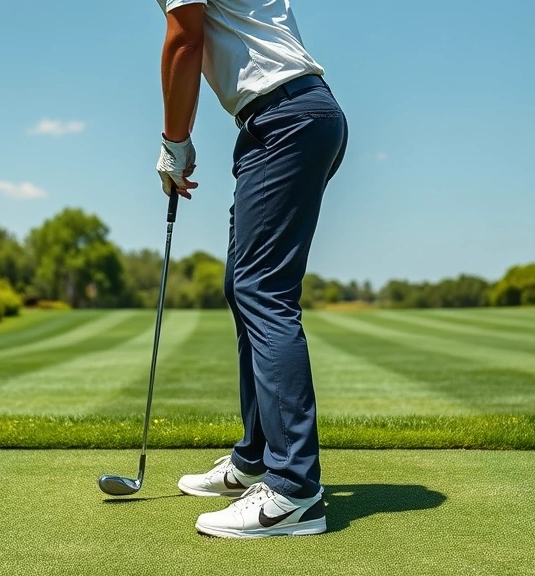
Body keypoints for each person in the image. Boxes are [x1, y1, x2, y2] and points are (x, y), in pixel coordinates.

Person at [155, 0, 348, 538]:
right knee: (244, 289)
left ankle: (293, 489)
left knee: (264, 292)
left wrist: (174, 141)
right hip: (289, 117)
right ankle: (255, 460)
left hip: (284, 119)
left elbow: (184, 41)